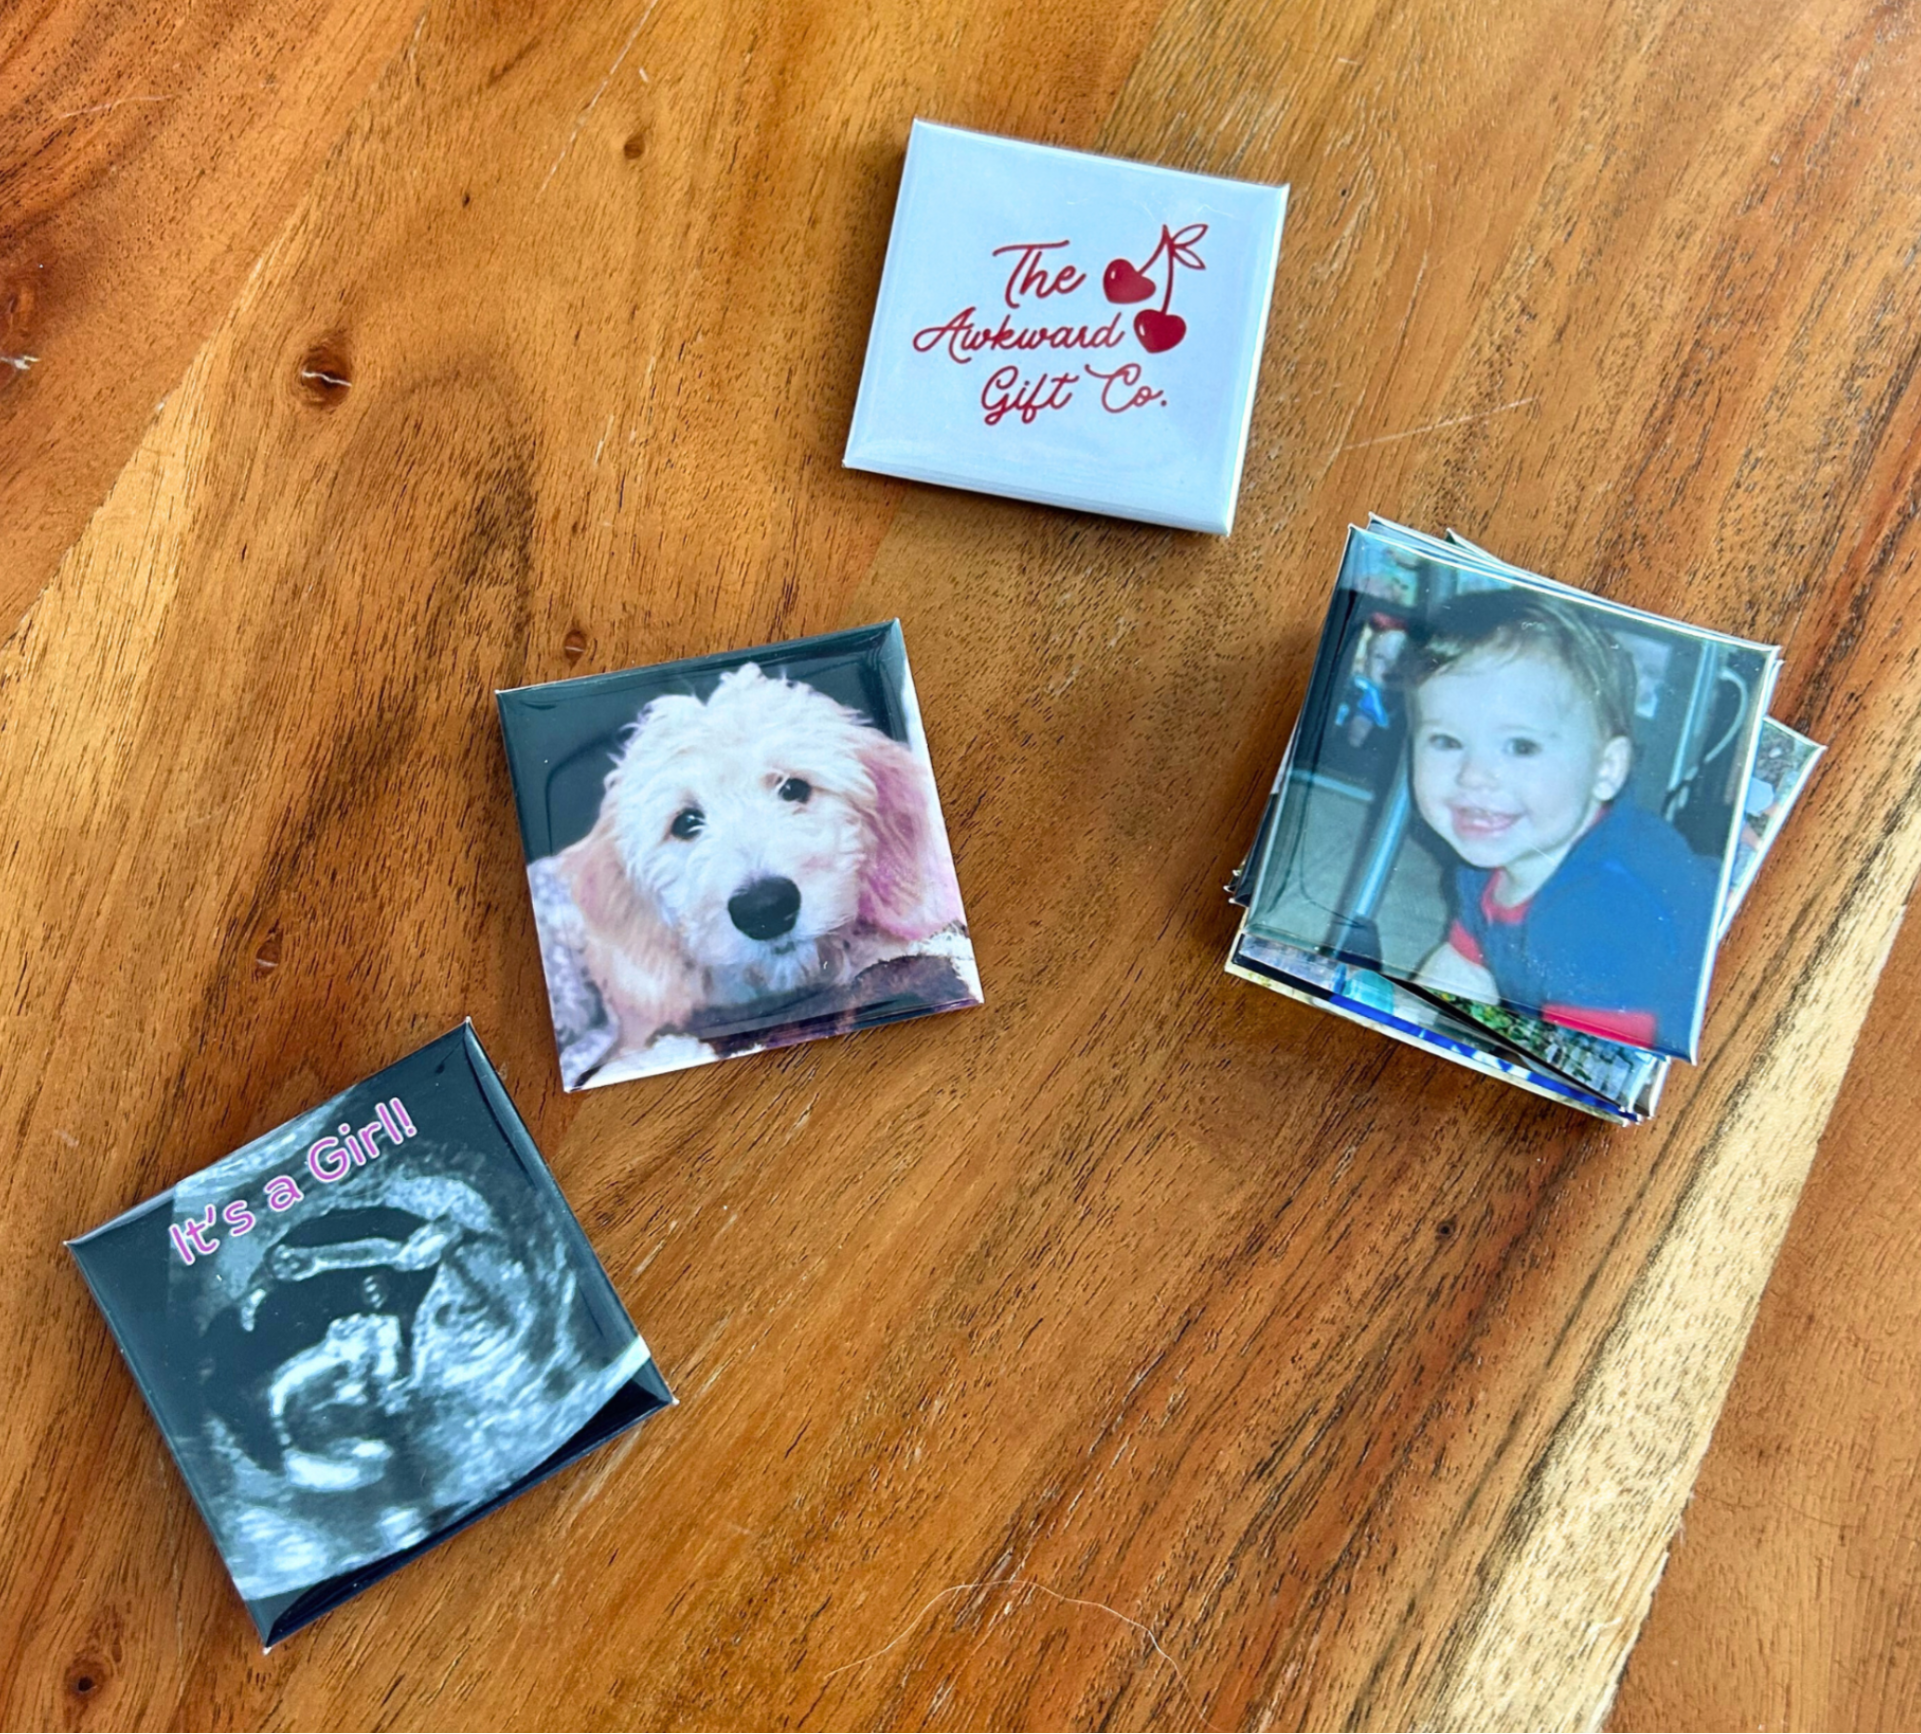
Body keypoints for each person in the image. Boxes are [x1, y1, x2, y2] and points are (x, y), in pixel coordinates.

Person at [1403, 590, 1719, 1056]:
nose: (1474, 776)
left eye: (1521, 746)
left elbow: (1589, 1071)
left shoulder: (1604, 914)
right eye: (1447, 741)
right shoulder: (1490, 857)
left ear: (1605, 769)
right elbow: (1462, 971)